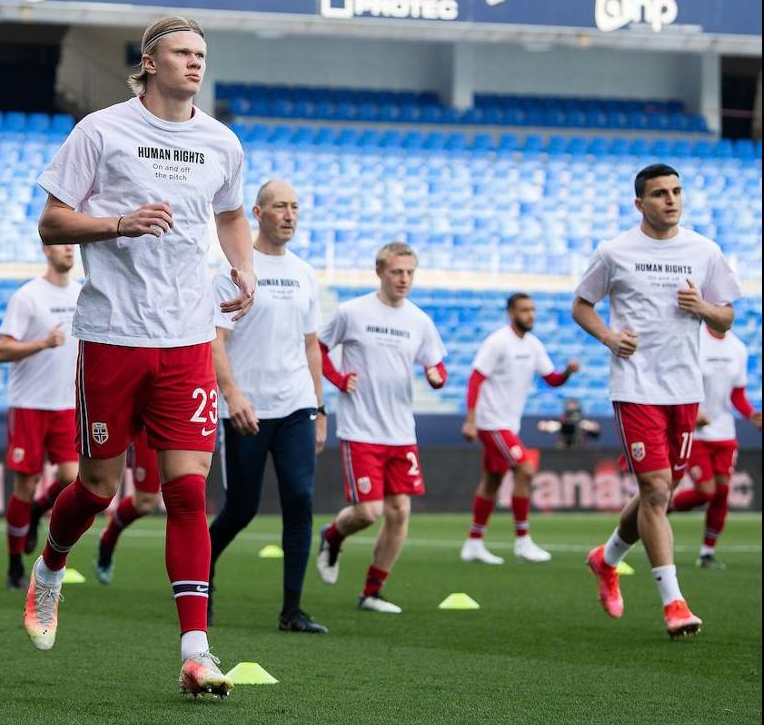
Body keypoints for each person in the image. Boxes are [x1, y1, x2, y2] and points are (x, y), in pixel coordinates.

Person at [26, 15, 255, 698]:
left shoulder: (221, 141)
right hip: (112, 336)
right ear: (149, 62)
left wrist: (242, 269)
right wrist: (117, 221)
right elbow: (52, 220)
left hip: (187, 339)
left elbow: (233, 214)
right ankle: (51, 566)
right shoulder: (101, 130)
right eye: (183, 53)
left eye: (202, 55)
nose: (195, 64)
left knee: (186, 490)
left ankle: (196, 651)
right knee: (96, 487)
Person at [576, 163, 740, 639]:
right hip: (636, 386)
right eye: (660, 194)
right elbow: (581, 305)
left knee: (660, 492)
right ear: (639, 203)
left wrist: (703, 308)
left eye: (676, 192)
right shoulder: (614, 252)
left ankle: (605, 559)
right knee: (654, 490)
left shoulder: (704, 250)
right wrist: (609, 337)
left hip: (684, 391)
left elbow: (726, 317)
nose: (670, 200)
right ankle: (675, 604)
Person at [207, 179, 327, 633]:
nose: (290, 214)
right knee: (241, 509)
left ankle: (292, 611)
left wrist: (318, 409)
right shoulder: (235, 270)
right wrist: (233, 395)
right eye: (280, 206)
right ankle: (203, 581)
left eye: (296, 206)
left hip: (296, 405)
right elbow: (216, 340)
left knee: (300, 500)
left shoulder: (305, 272)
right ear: (258, 212)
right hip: (246, 410)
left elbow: (312, 345)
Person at [315, 242, 447, 615]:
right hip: (361, 430)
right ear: (380, 272)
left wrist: (436, 377)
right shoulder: (352, 312)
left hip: (401, 431)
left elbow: (437, 366)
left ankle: (373, 591)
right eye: (396, 272)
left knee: (400, 512)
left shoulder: (419, 321)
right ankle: (332, 535)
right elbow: (318, 349)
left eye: (409, 272)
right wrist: (339, 379)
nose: (403, 279)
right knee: (368, 512)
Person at [460, 293, 580, 565]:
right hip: (491, 422)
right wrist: (470, 419)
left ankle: (474, 543)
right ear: (511, 313)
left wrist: (568, 372)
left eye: (533, 310)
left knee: (492, 481)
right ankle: (523, 541)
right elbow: (476, 378)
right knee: (524, 469)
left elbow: (551, 379)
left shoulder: (534, 345)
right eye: (525, 310)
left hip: (507, 422)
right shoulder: (497, 342)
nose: (531, 315)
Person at [0, 244, 81, 590]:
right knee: (26, 484)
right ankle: (15, 563)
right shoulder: (27, 296)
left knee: (72, 479)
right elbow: (2, 349)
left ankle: (34, 514)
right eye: (62, 244)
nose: (69, 251)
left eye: (72, 246)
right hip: (29, 404)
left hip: (68, 404)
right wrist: (42, 344)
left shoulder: (83, 293)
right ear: (47, 249)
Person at [669, 325, 760, 569]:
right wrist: (692, 411)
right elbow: (677, 382)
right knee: (706, 491)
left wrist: (752, 414)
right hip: (696, 433)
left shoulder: (738, 348)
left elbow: (737, 394)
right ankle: (666, 506)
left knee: (721, 492)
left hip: (725, 433)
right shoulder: (692, 339)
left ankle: (707, 552)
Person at [94, 431, 160, 585]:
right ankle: (109, 538)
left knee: (186, 495)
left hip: (188, 414)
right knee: (145, 502)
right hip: (152, 418)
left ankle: (191, 584)